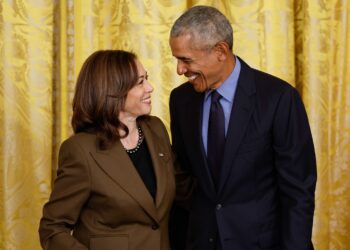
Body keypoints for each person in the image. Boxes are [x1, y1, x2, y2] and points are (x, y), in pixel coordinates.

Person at [169, 5, 317, 250]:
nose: (180, 70)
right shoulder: (181, 100)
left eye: (186, 60)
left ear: (220, 51)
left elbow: (298, 191)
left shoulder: (278, 98)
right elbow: (185, 183)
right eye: (177, 60)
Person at [39, 50, 177, 250]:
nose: (150, 87)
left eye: (147, 78)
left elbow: (179, 191)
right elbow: (52, 228)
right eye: (140, 82)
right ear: (113, 90)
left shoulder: (155, 129)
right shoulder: (80, 150)